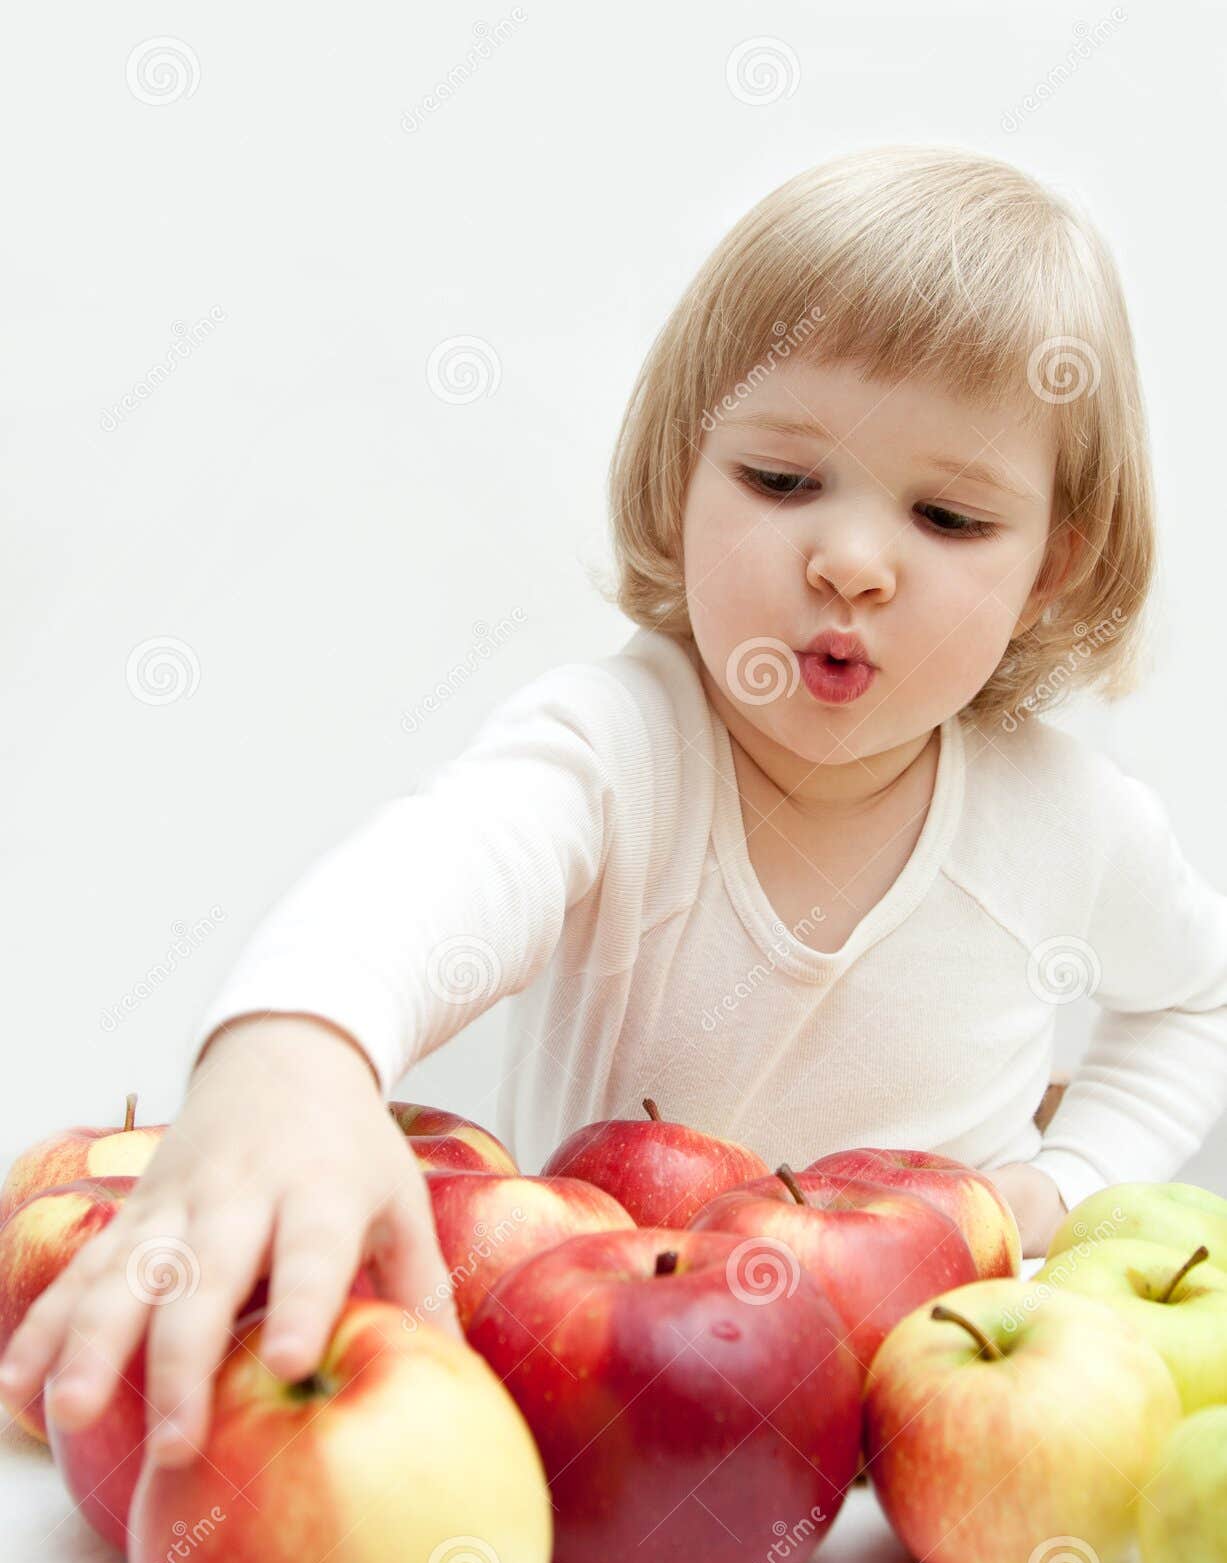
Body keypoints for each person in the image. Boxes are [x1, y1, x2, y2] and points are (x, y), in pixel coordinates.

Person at [4, 143, 1226, 1474]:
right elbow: (447, 867)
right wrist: (297, 1046)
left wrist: (1076, 1176)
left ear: (1052, 568)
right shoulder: (621, 746)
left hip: (935, 1446)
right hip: (608, 1430)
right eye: (779, 480)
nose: (852, 561)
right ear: (682, 474)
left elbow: (1196, 995)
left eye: (945, 514)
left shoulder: (1069, 819)